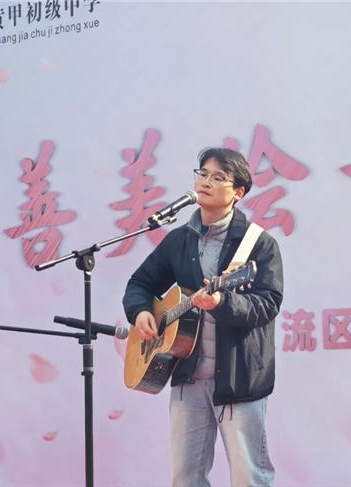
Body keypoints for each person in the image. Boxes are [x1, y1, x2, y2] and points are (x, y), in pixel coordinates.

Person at [122, 147, 284, 487]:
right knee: (186, 478)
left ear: (238, 192)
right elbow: (140, 283)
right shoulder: (179, 239)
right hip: (188, 377)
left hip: (238, 380)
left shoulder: (258, 243)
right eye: (203, 174)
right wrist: (140, 312)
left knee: (249, 477)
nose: (206, 181)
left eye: (218, 177)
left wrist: (222, 302)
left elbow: (267, 304)